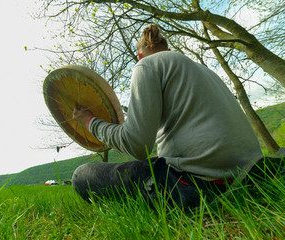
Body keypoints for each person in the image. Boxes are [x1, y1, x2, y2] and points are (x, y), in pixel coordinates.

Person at [71, 24, 265, 209]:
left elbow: (136, 145)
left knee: (81, 175)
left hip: (200, 182)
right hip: (253, 172)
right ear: (167, 49)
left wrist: (89, 121)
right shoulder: (203, 70)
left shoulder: (145, 66)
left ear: (139, 56)